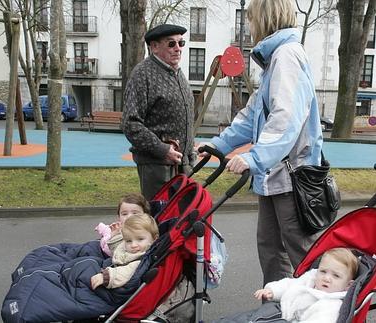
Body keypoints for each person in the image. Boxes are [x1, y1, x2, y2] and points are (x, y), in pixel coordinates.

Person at [199, 0, 324, 285]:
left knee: (302, 252)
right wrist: (217, 146)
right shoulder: (273, 60)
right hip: (274, 175)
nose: (249, 25)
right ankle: (277, 306)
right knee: (270, 247)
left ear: (265, 18)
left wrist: (255, 158)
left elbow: (286, 116)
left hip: (293, 177)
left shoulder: (287, 56)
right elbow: (251, 115)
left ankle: (324, 308)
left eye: (251, 18)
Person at [122, 23, 196, 200]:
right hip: (157, 167)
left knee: (178, 223)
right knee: (160, 220)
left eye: (181, 43)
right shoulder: (143, 74)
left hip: (181, 165)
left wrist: (190, 149)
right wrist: (163, 150)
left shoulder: (177, 73)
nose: (178, 49)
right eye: (171, 44)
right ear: (154, 47)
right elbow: (130, 123)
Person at [253, 248, 358, 322]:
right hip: (283, 312)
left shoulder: (331, 305)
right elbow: (291, 284)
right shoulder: (311, 280)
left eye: (336, 276)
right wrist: (273, 291)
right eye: (323, 271)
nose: (326, 278)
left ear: (348, 285)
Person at [91, 215, 159, 290]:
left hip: (116, 287)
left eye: (140, 239)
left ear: (154, 239)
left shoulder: (142, 259)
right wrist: (115, 235)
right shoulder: (134, 249)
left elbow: (127, 272)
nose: (133, 245)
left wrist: (105, 277)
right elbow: (119, 248)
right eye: (129, 241)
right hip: (107, 267)